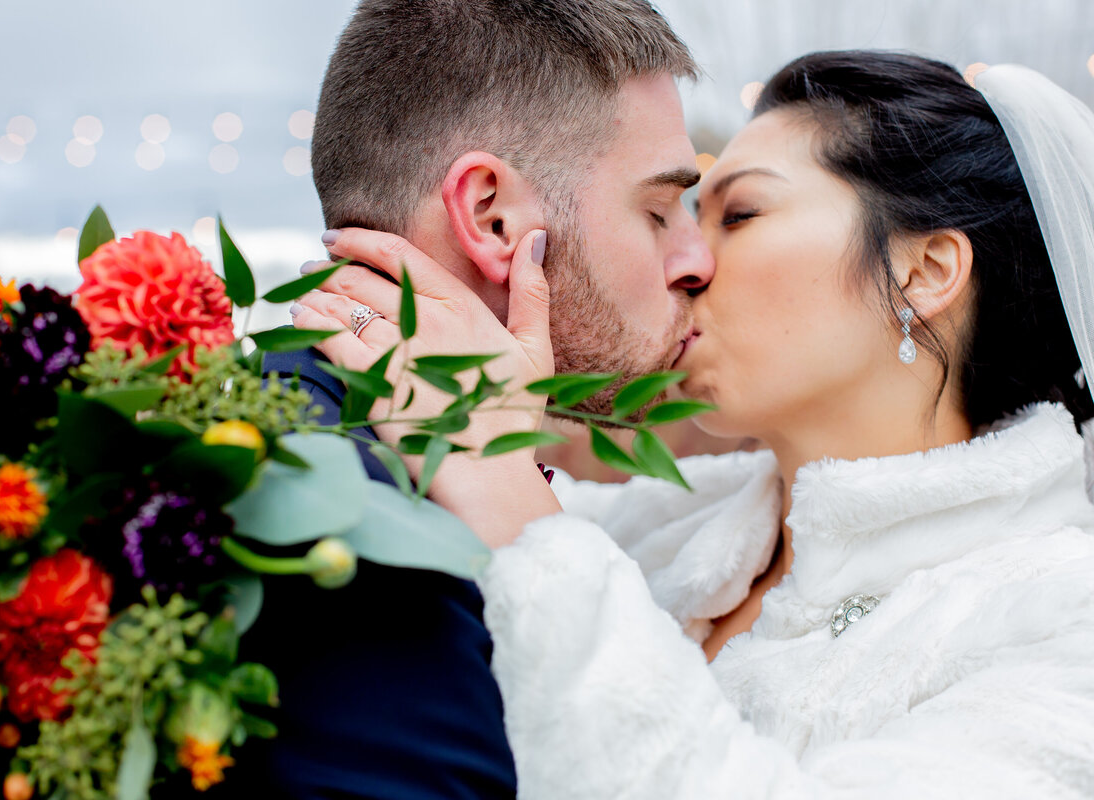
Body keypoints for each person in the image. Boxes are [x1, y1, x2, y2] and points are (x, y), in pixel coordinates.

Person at [293, 51, 1094, 797]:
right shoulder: (662, 528)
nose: (689, 263)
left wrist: (501, 484)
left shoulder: (1062, 625)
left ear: (923, 271)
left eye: (737, 214)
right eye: (670, 213)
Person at [241, 1, 712, 797]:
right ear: (492, 217)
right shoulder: (347, 524)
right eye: (659, 211)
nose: (697, 259)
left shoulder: (317, 431)